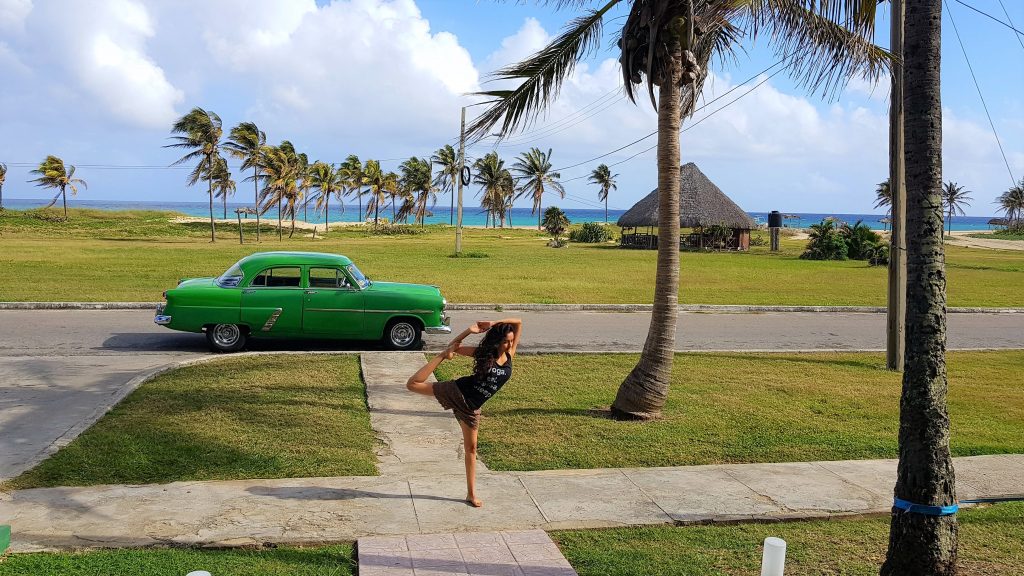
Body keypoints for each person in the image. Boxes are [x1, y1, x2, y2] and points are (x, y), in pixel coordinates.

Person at [406, 318, 522, 507]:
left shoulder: (510, 354)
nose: (509, 344)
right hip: (457, 392)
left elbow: (518, 322)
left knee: (471, 449)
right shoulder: (484, 354)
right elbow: (455, 346)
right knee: (412, 385)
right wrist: (468, 331)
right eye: (505, 341)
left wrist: (493, 322)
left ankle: (471, 494)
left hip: (472, 409)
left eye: (510, 340)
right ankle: (439, 357)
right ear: (496, 342)